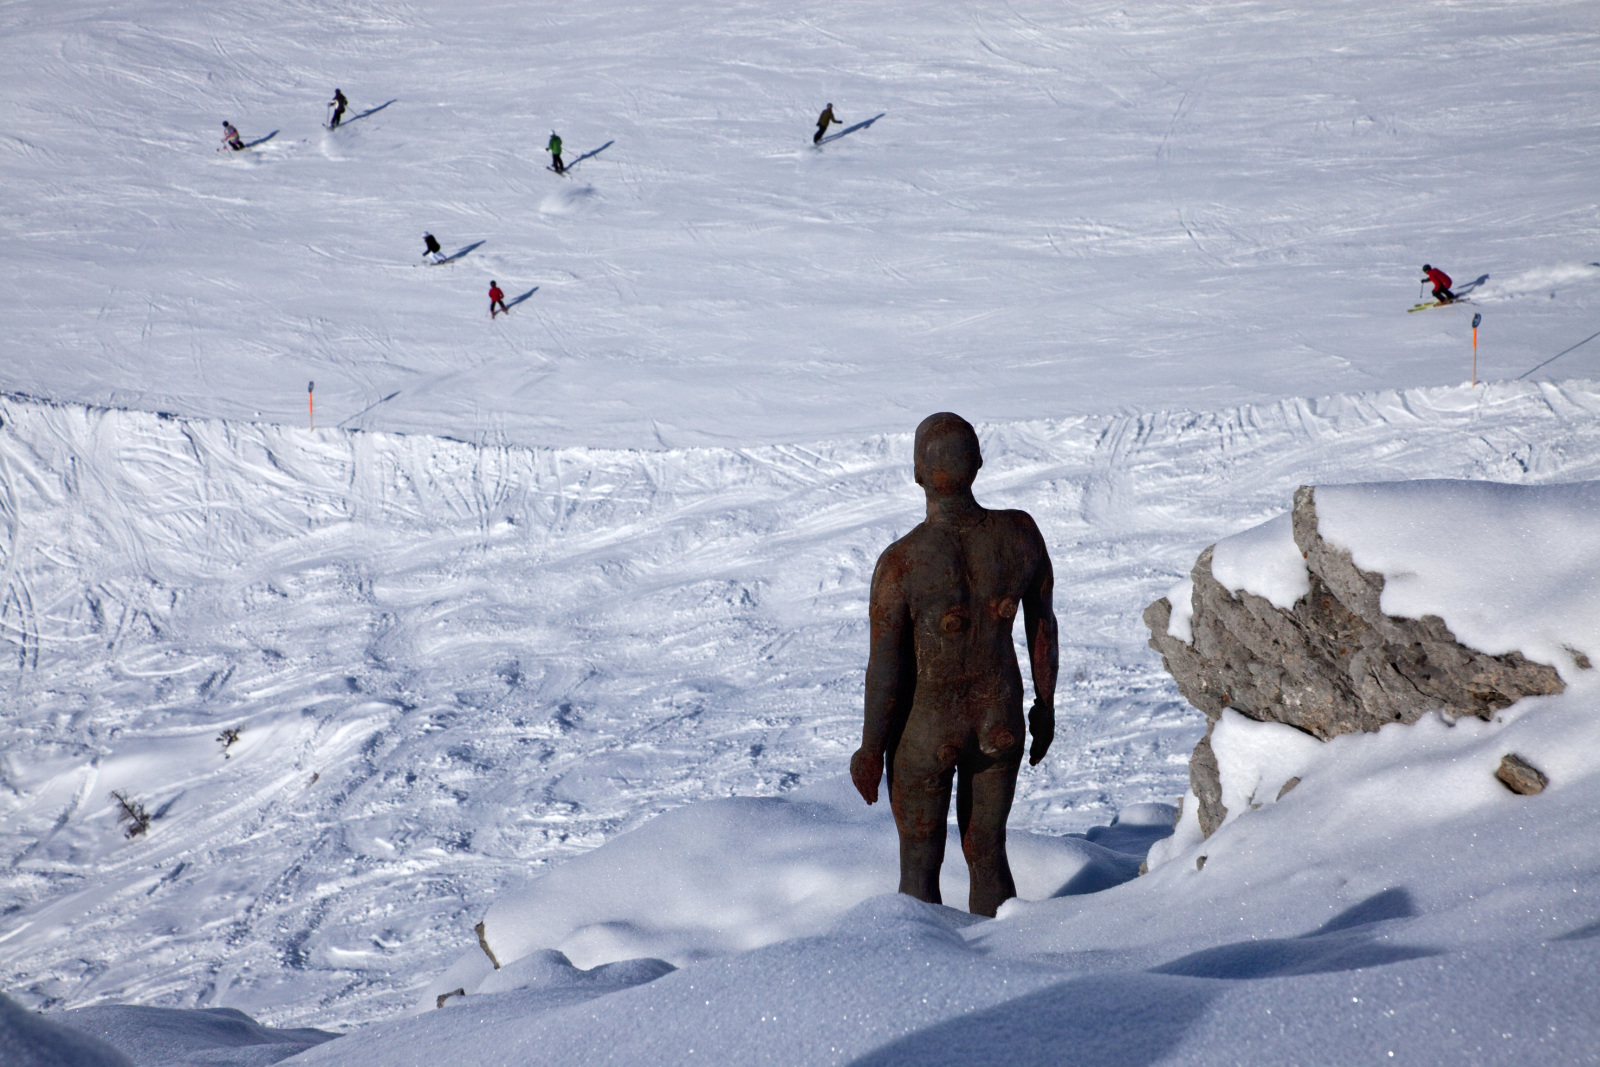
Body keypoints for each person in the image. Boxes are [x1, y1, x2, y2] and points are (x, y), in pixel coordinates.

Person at [850, 412, 1058, 917]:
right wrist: (1045, 706)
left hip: (927, 733)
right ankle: (1005, 958)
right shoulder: (1020, 533)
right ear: (979, 464)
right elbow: (1043, 627)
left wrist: (871, 749)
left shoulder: (901, 563)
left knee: (920, 864)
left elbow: (886, 670)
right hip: (999, 722)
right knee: (987, 853)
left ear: (918, 472)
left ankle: (930, 982)